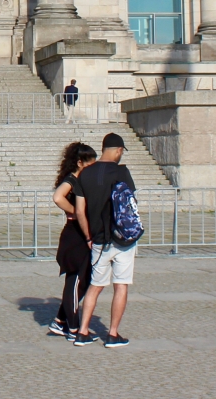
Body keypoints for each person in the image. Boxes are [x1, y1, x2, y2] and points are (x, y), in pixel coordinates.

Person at [73, 133, 137, 348]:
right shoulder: (122, 171)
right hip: (122, 239)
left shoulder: (85, 174)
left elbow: (80, 211)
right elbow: (130, 204)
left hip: (98, 240)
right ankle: (112, 334)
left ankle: (82, 332)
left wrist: (88, 236)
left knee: (95, 286)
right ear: (118, 150)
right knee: (121, 286)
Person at [50, 142, 97, 339]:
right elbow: (57, 197)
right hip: (74, 235)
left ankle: (60, 321)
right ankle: (74, 328)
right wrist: (77, 213)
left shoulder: (81, 179)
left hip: (77, 234)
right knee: (76, 280)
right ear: (79, 163)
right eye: (90, 164)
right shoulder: (73, 179)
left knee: (82, 280)